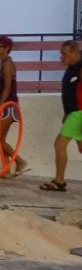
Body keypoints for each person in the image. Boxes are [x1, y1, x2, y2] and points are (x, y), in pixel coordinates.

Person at [40, 39, 82, 192]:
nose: (61, 57)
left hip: (79, 114)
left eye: (64, 54)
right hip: (73, 113)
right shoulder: (71, 68)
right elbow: (71, 93)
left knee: (59, 145)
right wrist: (66, 113)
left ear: (75, 53)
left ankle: (59, 181)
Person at [0, 35, 29, 177]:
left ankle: (19, 161)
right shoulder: (6, 63)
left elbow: (7, 87)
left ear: (6, 48)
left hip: (8, 107)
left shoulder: (7, 64)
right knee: (0, 140)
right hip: (8, 106)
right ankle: (6, 170)